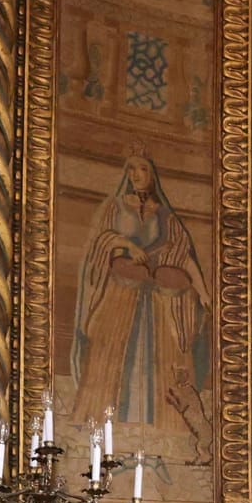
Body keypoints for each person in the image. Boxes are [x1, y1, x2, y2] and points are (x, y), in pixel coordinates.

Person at [71, 147, 213, 463]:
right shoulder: (114, 207)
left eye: (143, 170)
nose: (137, 175)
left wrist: (203, 291)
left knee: (165, 355)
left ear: (152, 176)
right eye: (132, 169)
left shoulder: (167, 217)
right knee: (112, 349)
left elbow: (184, 256)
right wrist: (126, 245)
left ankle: (166, 425)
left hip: (159, 300)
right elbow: (100, 241)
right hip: (121, 293)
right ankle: (101, 422)